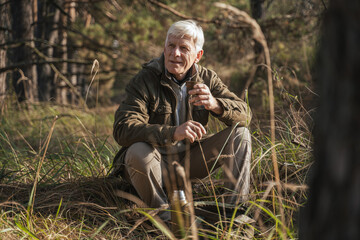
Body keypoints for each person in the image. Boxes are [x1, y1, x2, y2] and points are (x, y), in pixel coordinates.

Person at [111, 20, 252, 220]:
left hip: (189, 163)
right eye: (171, 45)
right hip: (154, 165)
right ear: (165, 47)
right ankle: (167, 219)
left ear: (198, 56)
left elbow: (245, 115)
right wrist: (172, 133)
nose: (175, 53)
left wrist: (215, 104)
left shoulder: (207, 79)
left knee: (241, 135)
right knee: (136, 151)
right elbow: (123, 129)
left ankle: (234, 216)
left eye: (184, 48)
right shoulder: (145, 79)